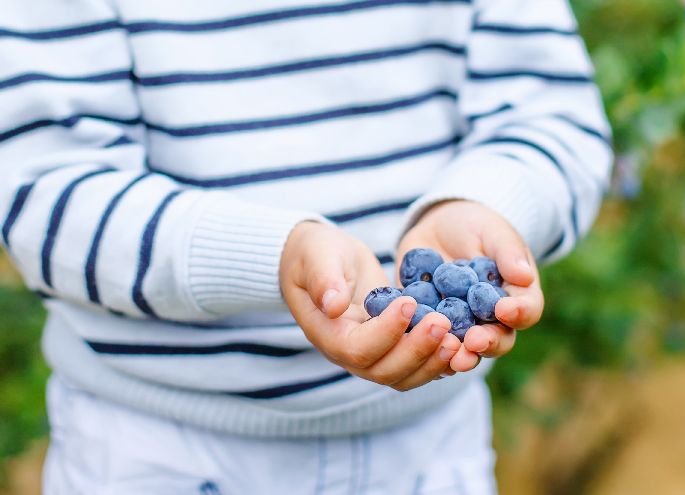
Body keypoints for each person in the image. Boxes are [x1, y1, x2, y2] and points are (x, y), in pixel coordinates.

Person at [0, 0, 612, 493]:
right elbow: (43, 193)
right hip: (160, 451)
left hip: (429, 449)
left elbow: (551, 113)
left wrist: (484, 202)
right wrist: (269, 255)